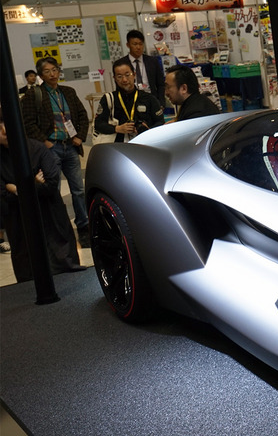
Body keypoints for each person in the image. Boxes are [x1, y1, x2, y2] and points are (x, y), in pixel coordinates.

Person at [0, 114, 86, 281]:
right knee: (28, 271)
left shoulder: (36, 149)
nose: (4, 130)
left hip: (50, 213)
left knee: (62, 263)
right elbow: (2, 194)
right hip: (19, 219)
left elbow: (51, 184)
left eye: (6, 124)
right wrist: (33, 183)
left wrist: (17, 189)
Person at [19, 57, 91, 244]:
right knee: (53, 190)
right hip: (51, 149)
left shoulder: (68, 92)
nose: (53, 74)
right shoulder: (34, 95)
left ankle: (84, 225)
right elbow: (27, 123)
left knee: (78, 189)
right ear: (41, 75)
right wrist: (45, 142)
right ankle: (58, 228)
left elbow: (83, 116)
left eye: (55, 70)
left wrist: (79, 137)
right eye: (48, 71)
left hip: (71, 146)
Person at [94, 56, 165, 143]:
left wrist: (148, 129)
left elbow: (160, 121)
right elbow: (98, 124)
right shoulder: (109, 98)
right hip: (119, 145)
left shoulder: (148, 98)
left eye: (127, 75)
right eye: (119, 76)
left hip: (145, 142)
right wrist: (117, 128)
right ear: (115, 78)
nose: (124, 80)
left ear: (134, 75)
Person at [125, 29, 166, 105]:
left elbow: (160, 84)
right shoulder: (122, 63)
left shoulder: (152, 61)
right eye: (135, 44)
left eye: (141, 44)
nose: (138, 47)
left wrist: (161, 103)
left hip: (151, 99)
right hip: (132, 101)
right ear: (128, 45)